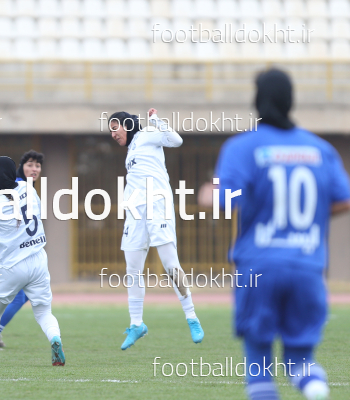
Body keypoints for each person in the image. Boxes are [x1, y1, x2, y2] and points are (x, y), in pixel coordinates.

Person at [198, 68, 350, 400]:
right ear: (290, 101)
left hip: (259, 266)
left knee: (259, 363)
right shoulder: (319, 149)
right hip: (307, 266)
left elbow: (225, 198)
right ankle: (314, 386)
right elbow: (344, 199)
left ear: (257, 101)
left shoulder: (243, 147)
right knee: (300, 360)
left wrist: (208, 193)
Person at [108, 108, 204, 350]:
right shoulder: (131, 150)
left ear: (127, 125)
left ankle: (192, 317)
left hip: (157, 204)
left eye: (114, 128)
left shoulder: (148, 134)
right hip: (135, 211)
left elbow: (176, 140)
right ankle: (136, 324)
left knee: (170, 264)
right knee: (132, 268)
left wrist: (156, 121)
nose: (112, 134)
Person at [0, 156, 65, 366]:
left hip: (11, 265)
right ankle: (55, 338)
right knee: (44, 312)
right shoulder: (29, 189)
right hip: (38, 259)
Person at [0, 150, 44, 350]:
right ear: (20, 167)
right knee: (17, 297)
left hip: (14, 251)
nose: (34, 169)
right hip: (5, 250)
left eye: (37, 166)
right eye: (30, 165)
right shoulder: (18, 185)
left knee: (22, 296)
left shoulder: (24, 187)